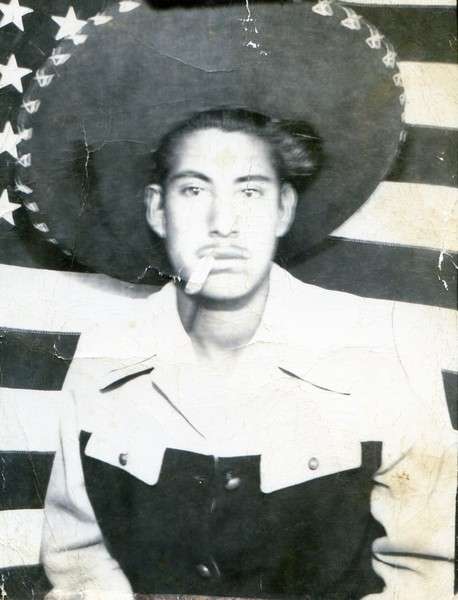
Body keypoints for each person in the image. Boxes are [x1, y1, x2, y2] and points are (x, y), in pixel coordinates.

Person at [14, 2, 455, 599]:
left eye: (249, 191)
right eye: (194, 190)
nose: (223, 223)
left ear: (283, 209)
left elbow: (425, 575)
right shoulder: (103, 360)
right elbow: (79, 566)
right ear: (157, 210)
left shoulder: (387, 349)